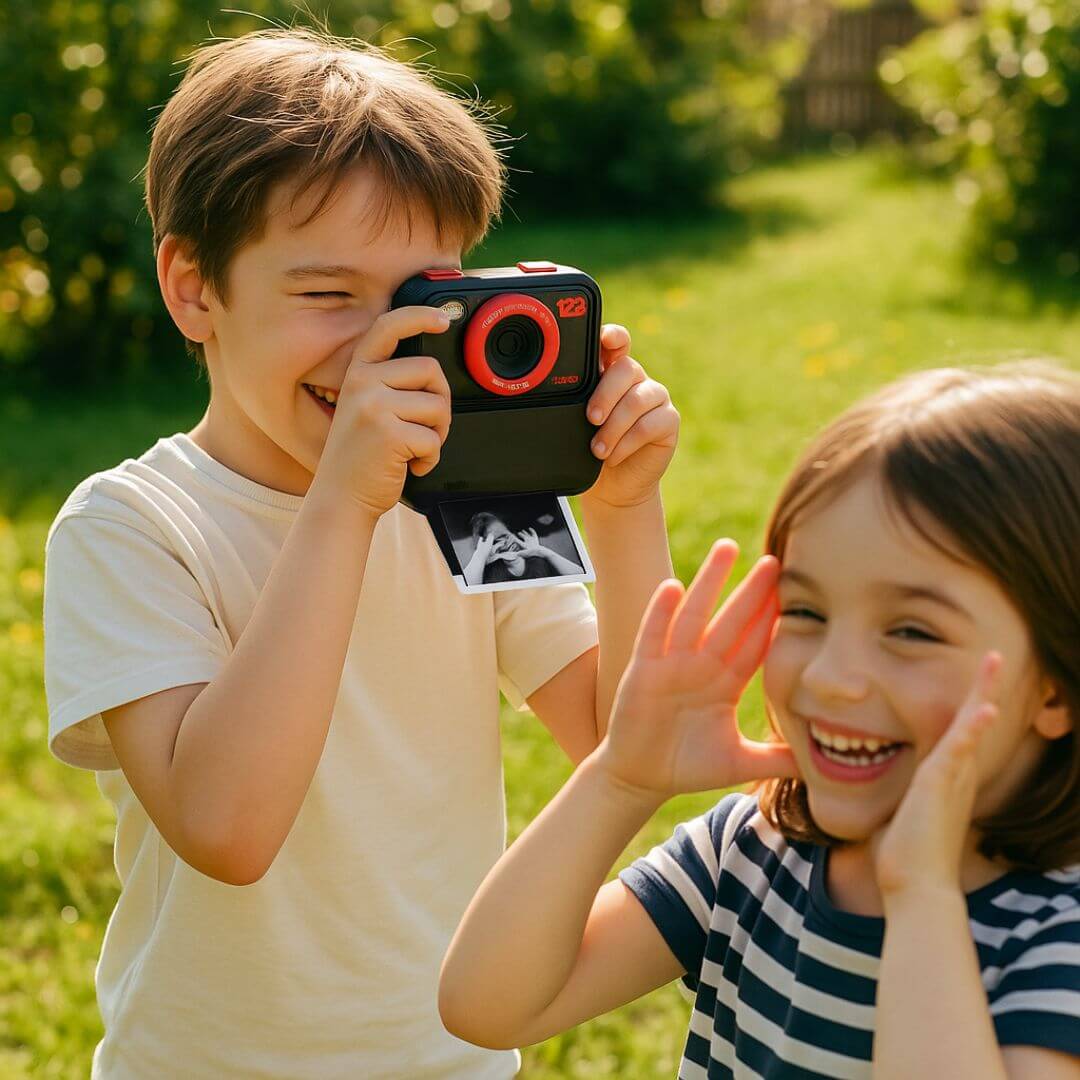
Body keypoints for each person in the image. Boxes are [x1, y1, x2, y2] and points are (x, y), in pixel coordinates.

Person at [41, 27, 681, 1080]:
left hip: (456, 1053)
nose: (381, 343)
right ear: (194, 288)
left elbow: (625, 733)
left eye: (420, 297)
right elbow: (227, 829)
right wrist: (344, 502)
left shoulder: (471, 494)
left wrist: (622, 510)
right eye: (329, 294)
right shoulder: (135, 526)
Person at [440, 362, 1080, 1079]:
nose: (831, 678)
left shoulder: (1056, 940)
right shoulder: (753, 848)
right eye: (806, 612)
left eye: (911, 632)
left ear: (1057, 689)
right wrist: (620, 778)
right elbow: (487, 1007)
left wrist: (922, 895)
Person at [463, 512, 584, 586]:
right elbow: (465, 591)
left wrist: (543, 552)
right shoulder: (487, 572)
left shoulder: (538, 559)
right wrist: (480, 557)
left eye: (505, 536)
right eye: (494, 542)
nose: (503, 544)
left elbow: (579, 577)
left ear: (513, 532)